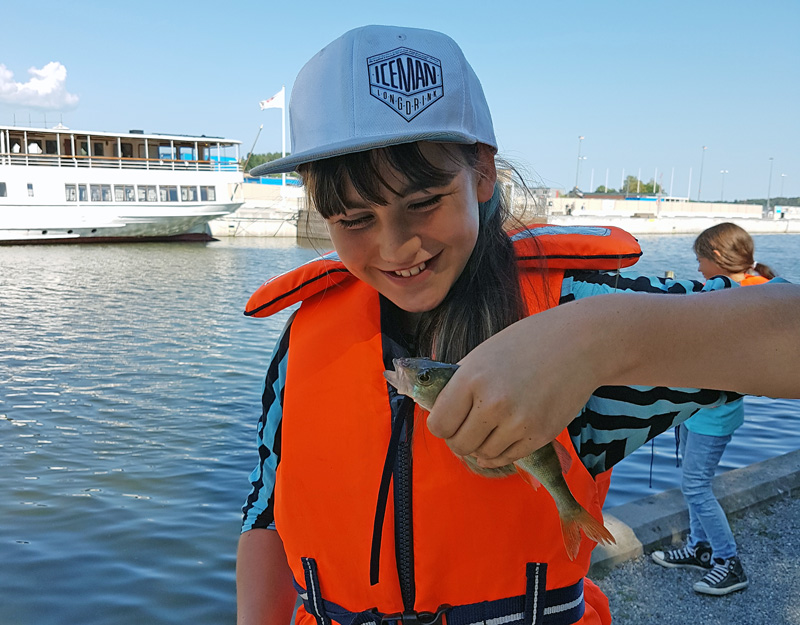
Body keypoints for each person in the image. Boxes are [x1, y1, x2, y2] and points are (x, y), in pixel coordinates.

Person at [237, 25, 800, 625]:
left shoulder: (575, 307)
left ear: (482, 172)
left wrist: (599, 340)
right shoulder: (307, 334)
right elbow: (268, 512)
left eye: (423, 202)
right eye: (353, 219)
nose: (396, 246)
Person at [651, 223, 778, 595]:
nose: (698, 268)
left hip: (713, 414)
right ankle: (699, 548)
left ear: (718, 258)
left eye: (700, 260)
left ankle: (729, 562)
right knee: (693, 484)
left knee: (695, 486)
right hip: (698, 411)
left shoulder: (740, 298)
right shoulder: (738, 291)